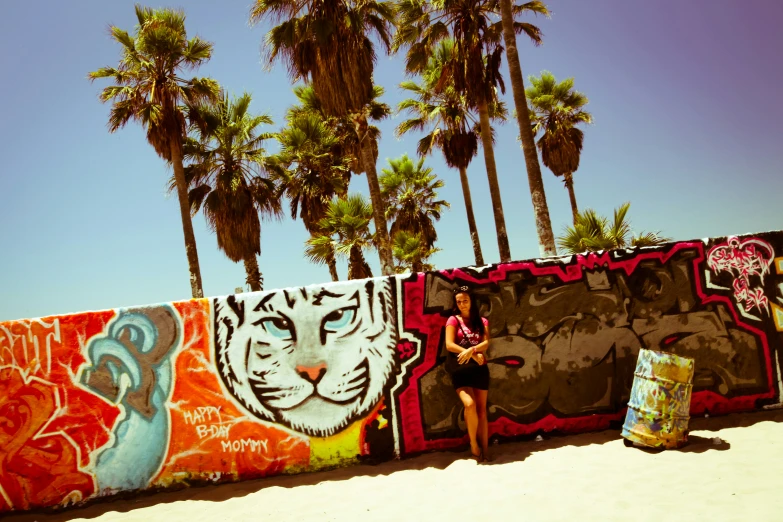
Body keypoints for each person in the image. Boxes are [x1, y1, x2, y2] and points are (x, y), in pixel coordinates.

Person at [444, 285, 490, 462]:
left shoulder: (482, 321)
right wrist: (471, 352)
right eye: (459, 301)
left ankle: (486, 450)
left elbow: (486, 343)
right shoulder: (453, 320)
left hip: (479, 369)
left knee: (482, 412)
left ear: (471, 301)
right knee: (469, 405)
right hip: (460, 370)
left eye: (465, 300)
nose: (462, 304)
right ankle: (473, 444)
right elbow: (449, 345)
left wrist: (472, 350)